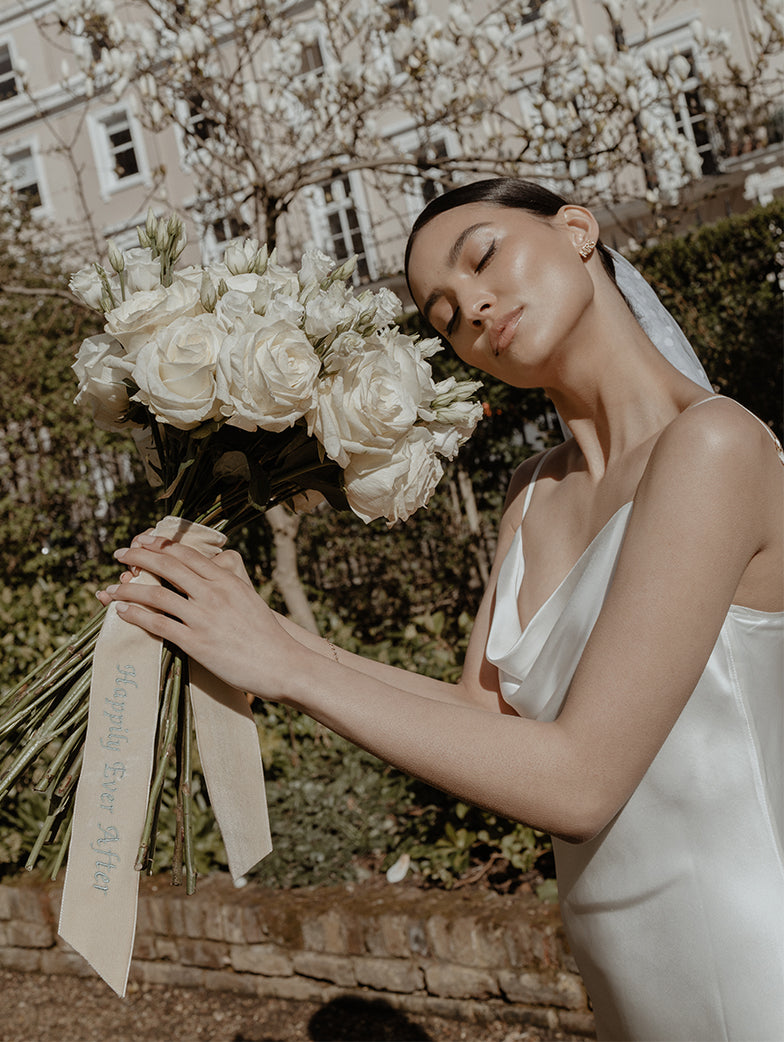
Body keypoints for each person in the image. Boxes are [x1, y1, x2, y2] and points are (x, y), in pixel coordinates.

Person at [97, 179, 783, 1041]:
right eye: (446, 315)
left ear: (576, 229)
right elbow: (479, 711)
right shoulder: (531, 493)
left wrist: (291, 668)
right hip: (624, 962)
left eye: (483, 257)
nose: (473, 307)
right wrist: (251, 631)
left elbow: (580, 781)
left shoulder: (716, 445)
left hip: (752, 955)